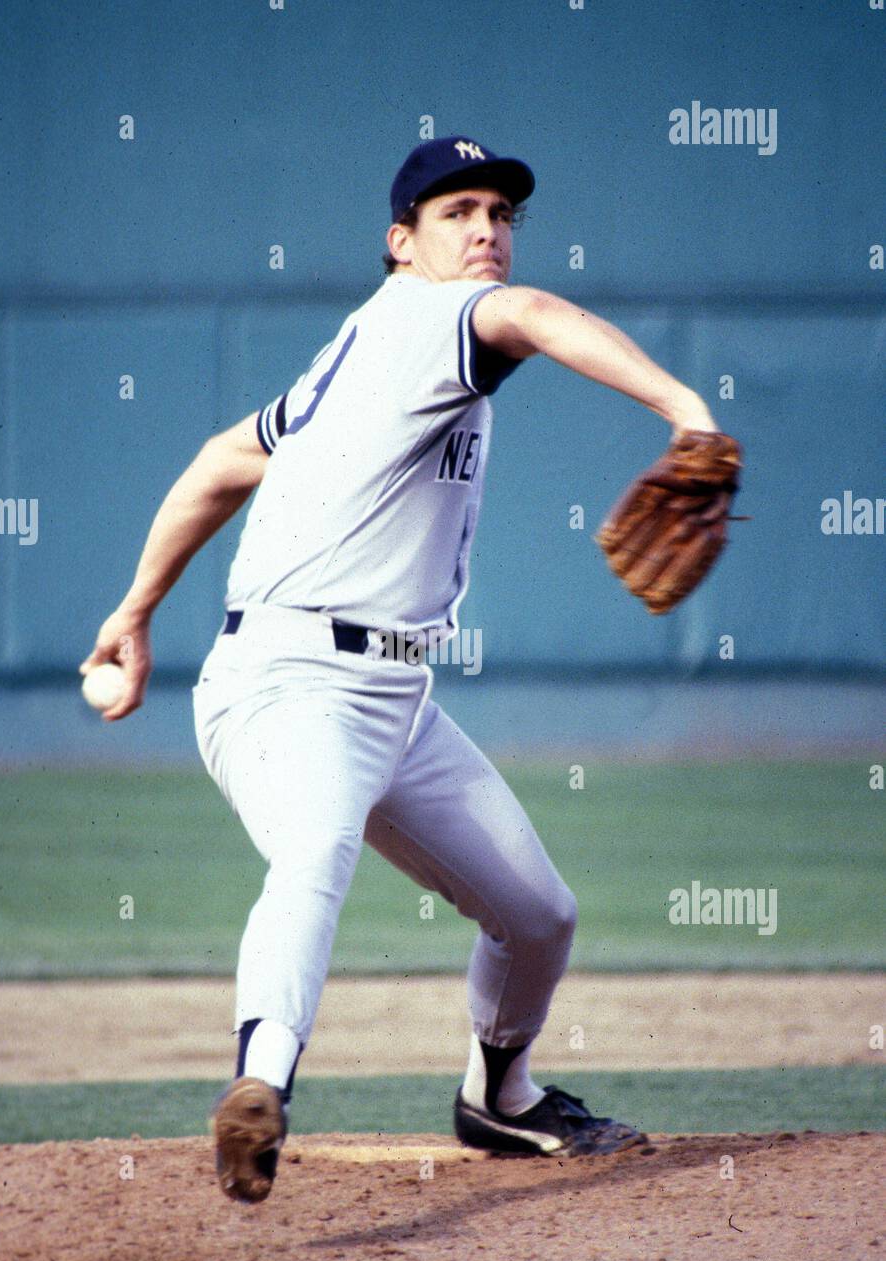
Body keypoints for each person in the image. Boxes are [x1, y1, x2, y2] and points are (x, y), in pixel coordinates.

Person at [81, 136, 720, 1203]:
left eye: (502, 214)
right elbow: (536, 319)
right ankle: (259, 1086)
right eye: (458, 210)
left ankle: (500, 1096)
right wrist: (685, 410)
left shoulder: (361, 352)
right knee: (316, 849)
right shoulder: (435, 319)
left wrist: (133, 611)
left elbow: (223, 460)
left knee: (539, 915)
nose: (487, 231)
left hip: (393, 697)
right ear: (401, 242)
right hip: (288, 681)